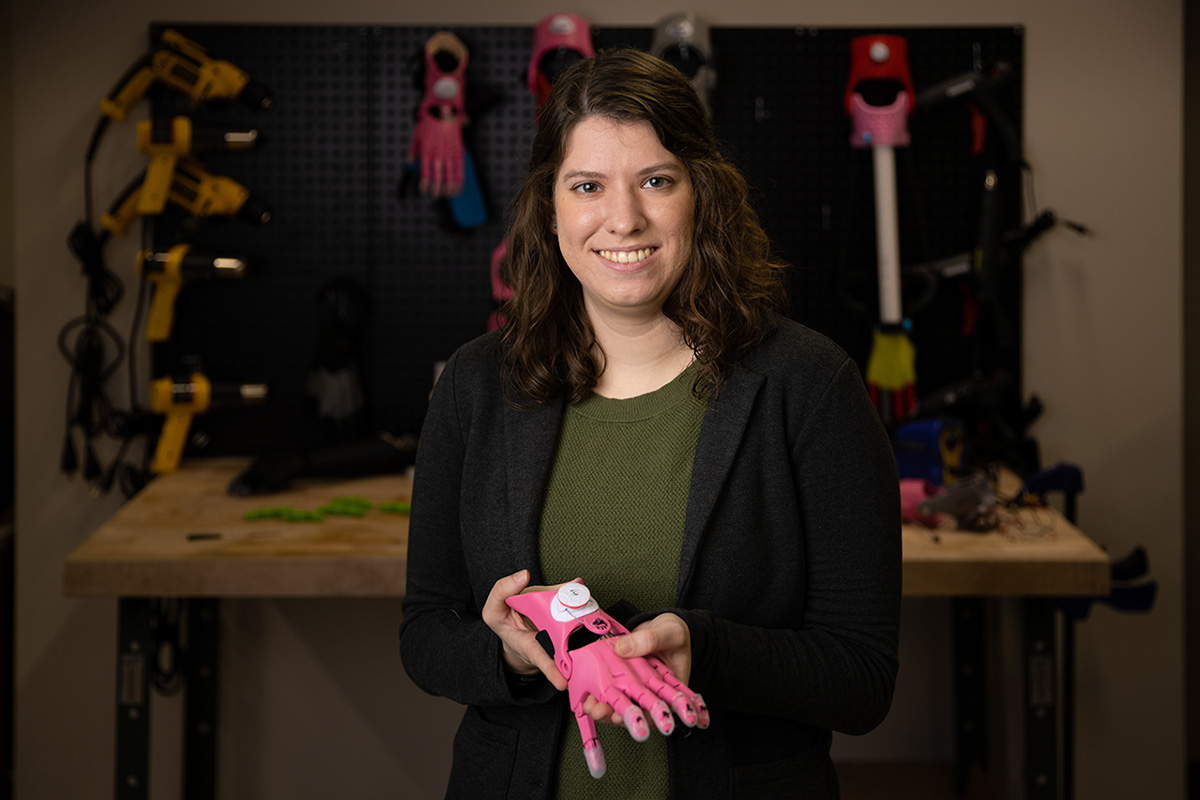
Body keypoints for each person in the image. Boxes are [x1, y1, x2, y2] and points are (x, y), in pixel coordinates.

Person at [399, 47, 901, 800]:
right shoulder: (478, 384)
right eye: (588, 185)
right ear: (550, 207)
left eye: (656, 181)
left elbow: (862, 679)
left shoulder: (807, 385)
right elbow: (425, 633)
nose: (623, 218)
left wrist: (704, 651)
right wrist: (510, 655)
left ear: (703, 194)